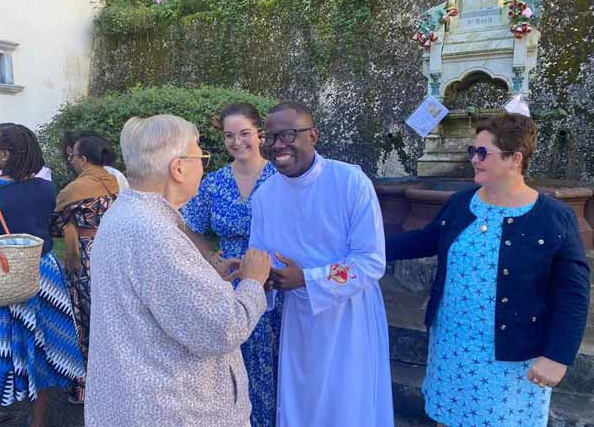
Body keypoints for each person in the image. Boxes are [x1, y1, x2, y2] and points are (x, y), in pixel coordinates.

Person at [387, 113, 590, 427]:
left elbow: (574, 294)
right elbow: (422, 241)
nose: (474, 159)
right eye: (473, 151)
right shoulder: (461, 203)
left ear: (515, 159)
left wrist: (557, 356)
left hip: (512, 357)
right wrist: (366, 247)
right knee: (447, 417)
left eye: (482, 153)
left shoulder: (553, 217)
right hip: (452, 345)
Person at [85, 114, 270, 427]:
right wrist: (253, 281)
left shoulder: (126, 213)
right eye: (201, 157)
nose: (204, 167)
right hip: (174, 410)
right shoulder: (156, 234)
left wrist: (210, 280)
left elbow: (155, 293)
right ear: (179, 168)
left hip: (136, 402)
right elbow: (222, 329)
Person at [249, 102, 394, 427]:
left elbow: (370, 260)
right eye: (270, 137)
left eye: (288, 135)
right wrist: (262, 278)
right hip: (299, 319)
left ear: (313, 135)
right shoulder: (265, 196)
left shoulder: (350, 182)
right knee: (301, 404)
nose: (277, 145)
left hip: (350, 317)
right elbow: (260, 256)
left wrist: (308, 279)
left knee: (347, 406)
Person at [181, 103, 282, 427]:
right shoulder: (214, 183)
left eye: (244, 133)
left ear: (260, 135)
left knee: (276, 365)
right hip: (231, 285)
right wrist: (212, 258)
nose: (237, 142)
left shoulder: (280, 177)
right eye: (229, 136)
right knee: (234, 364)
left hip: (275, 282)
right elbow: (186, 225)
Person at [0, 123, 84, 427]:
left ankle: (1, 404)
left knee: (4, 347)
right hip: (43, 272)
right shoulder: (46, 188)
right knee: (44, 347)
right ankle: (39, 421)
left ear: (5, 155)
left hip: (4, 274)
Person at [52, 135, 120, 404]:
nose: (71, 160)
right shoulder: (113, 182)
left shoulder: (74, 190)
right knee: (108, 320)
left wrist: (69, 228)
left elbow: (55, 223)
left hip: (83, 257)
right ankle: (112, 383)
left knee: (82, 320)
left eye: (74, 156)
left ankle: (84, 387)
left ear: (83, 159)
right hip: (109, 253)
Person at [62, 131, 129, 191]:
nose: (69, 159)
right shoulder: (82, 178)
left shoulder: (113, 176)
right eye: (68, 155)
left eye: (72, 154)